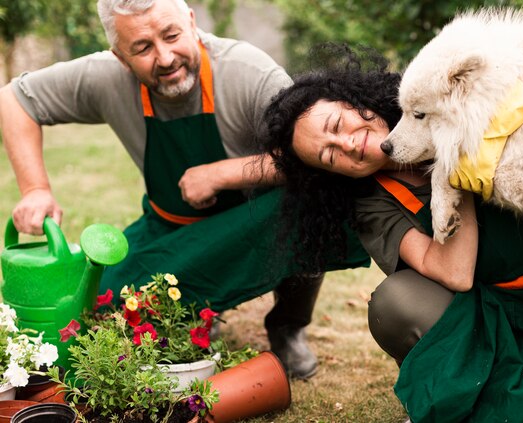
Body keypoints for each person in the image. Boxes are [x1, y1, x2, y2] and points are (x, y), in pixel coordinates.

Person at [259, 18, 523, 422]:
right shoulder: (372, 208)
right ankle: (486, 380)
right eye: (330, 156)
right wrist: (454, 172)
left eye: (337, 125)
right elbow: (455, 273)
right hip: (499, 309)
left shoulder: (434, 91)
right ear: (333, 176)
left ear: (353, 100)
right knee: (395, 302)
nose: (348, 143)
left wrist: (495, 127)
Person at [0, 0, 370, 380]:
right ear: (121, 57)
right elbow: (15, 98)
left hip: (252, 224)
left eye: (172, 35)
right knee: (98, 307)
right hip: (171, 227)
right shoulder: (103, 77)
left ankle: (288, 325)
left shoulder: (247, 71)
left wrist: (223, 173)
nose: (165, 57)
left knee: (311, 203)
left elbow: (308, 155)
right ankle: (197, 312)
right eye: (142, 48)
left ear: (191, 22)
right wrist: (35, 189)